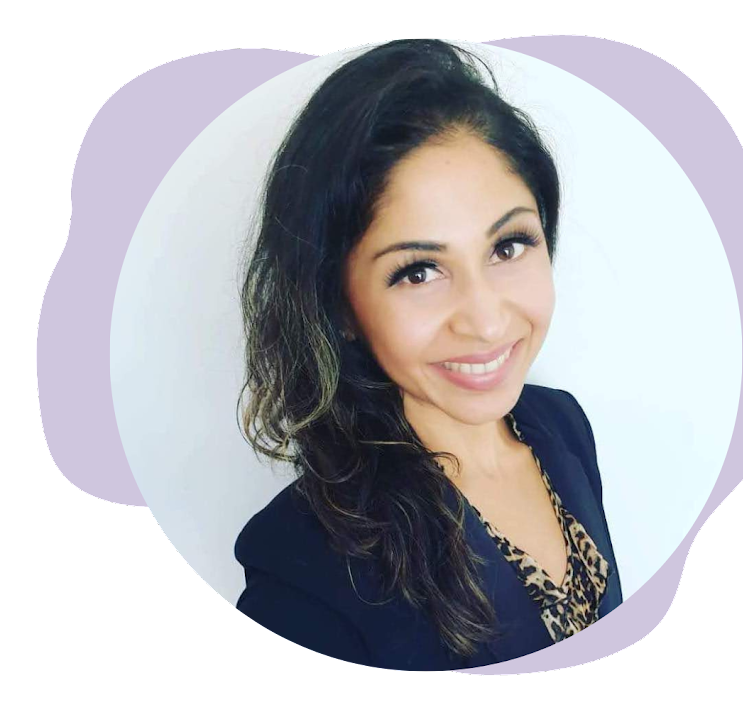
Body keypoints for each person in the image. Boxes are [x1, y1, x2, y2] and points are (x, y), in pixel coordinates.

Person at [233, 39, 622, 671]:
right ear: (340, 306)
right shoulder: (303, 570)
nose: (486, 320)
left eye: (508, 246)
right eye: (418, 272)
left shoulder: (562, 426)